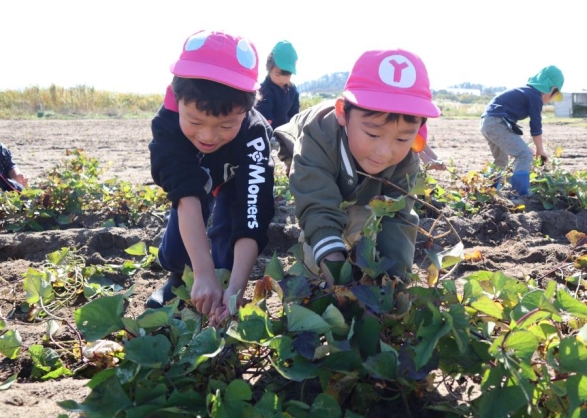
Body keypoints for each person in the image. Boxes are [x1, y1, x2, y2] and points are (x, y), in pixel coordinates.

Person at [274, 48, 440, 283]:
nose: (384, 151)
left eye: (402, 139)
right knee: (318, 231)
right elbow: (316, 203)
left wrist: (395, 283)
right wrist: (335, 270)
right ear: (343, 113)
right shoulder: (317, 134)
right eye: (372, 134)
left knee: (365, 218)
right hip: (297, 148)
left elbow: (397, 218)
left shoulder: (406, 159)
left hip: (348, 163)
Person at [146, 30, 275, 326]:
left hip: (233, 177)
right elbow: (186, 196)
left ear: (249, 109)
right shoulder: (167, 125)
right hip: (196, 179)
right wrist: (201, 272)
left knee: (230, 235)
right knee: (183, 229)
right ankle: (178, 280)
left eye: (226, 125)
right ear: (175, 99)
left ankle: (223, 283)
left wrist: (236, 289)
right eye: (194, 121)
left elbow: (252, 212)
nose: (207, 136)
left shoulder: (254, 136)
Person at [480, 65, 564, 196]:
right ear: (552, 89)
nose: (551, 100)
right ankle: (520, 194)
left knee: (501, 161)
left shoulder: (526, 91)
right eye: (555, 96)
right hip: (497, 123)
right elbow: (536, 126)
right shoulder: (535, 96)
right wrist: (540, 150)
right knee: (524, 154)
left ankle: (487, 191)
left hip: (488, 122)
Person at [256, 40, 300, 130]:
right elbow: (264, 113)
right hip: (269, 131)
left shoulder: (292, 90)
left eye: (287, 75)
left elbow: (294, 112)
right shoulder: (264, 89)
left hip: (286, 130)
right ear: (269, 68)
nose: (282, 79)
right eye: (277, 74)